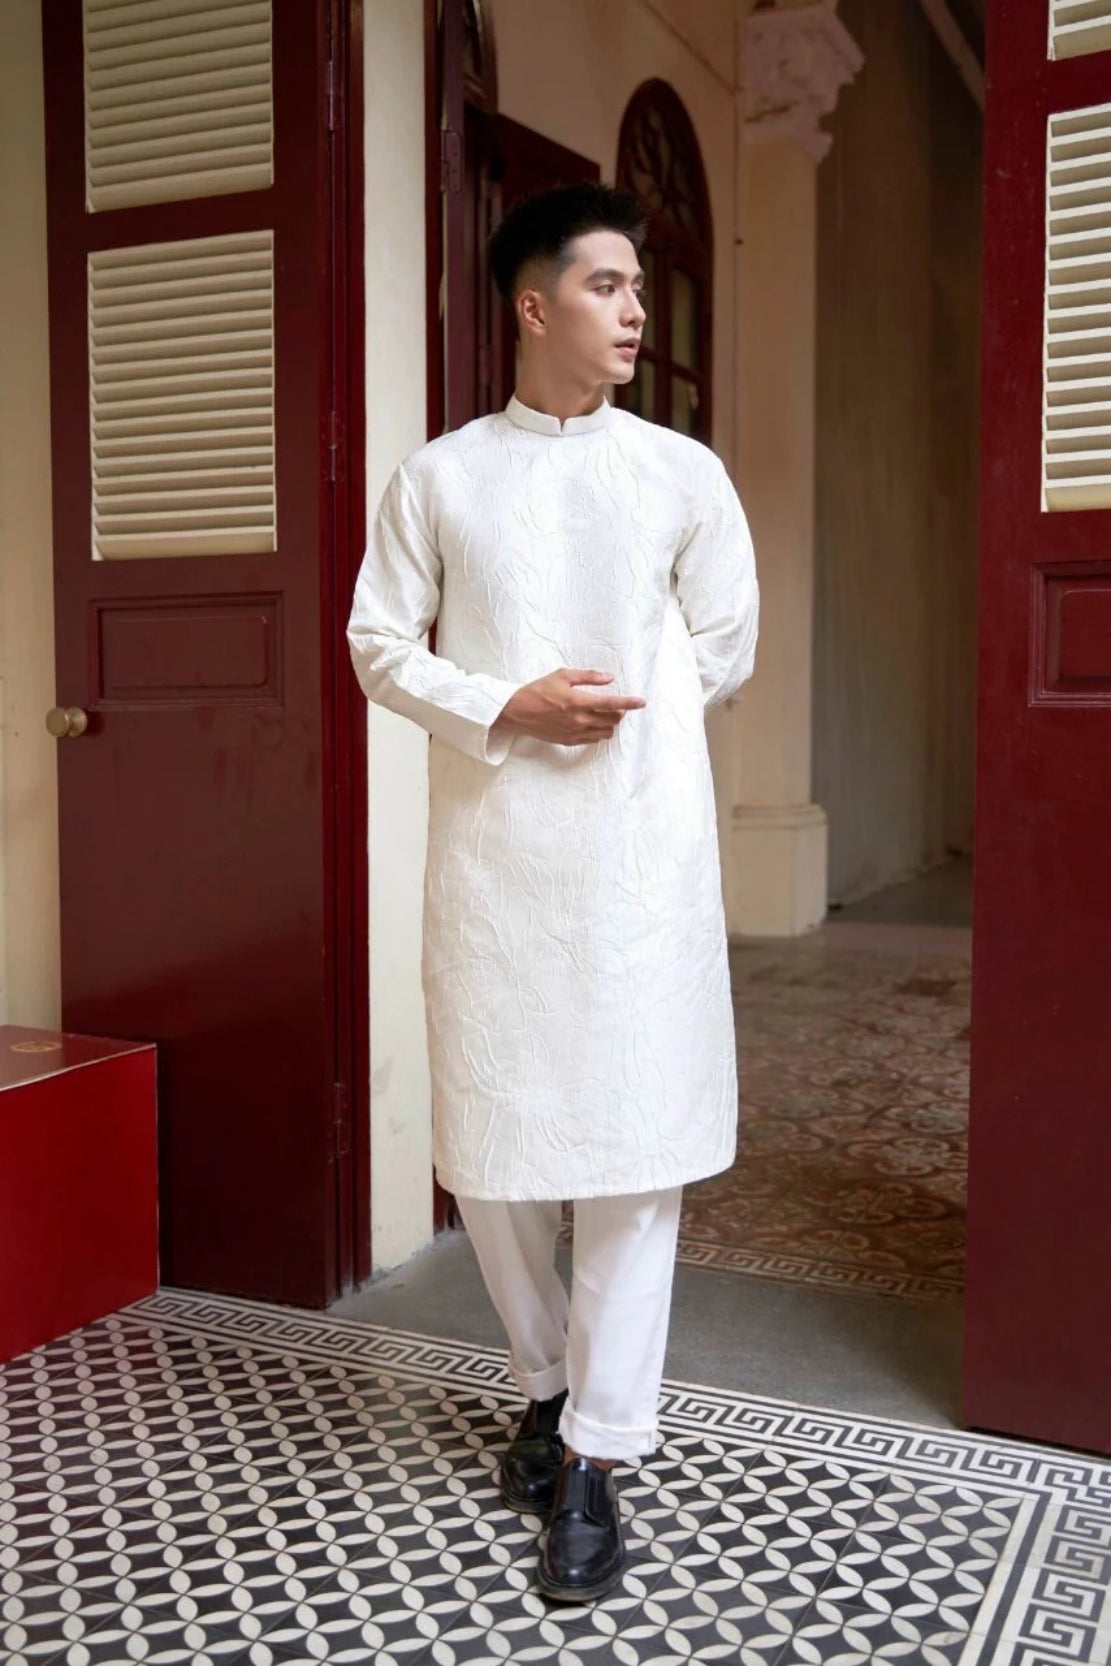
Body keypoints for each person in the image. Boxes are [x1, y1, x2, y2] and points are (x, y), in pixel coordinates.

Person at [346, 182, 759, 1603]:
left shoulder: (683, 476)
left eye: (639, 287)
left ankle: (594, 1452)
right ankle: (541, 1386)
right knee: (499, 1144)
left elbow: (726, 638)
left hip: (640, 858)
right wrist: (506, 703)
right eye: (607, 285)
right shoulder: (441, 478)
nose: (636, 310)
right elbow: (378, 643)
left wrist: (636, 715)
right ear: (534, 306)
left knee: (636, 1147)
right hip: (497, 860)